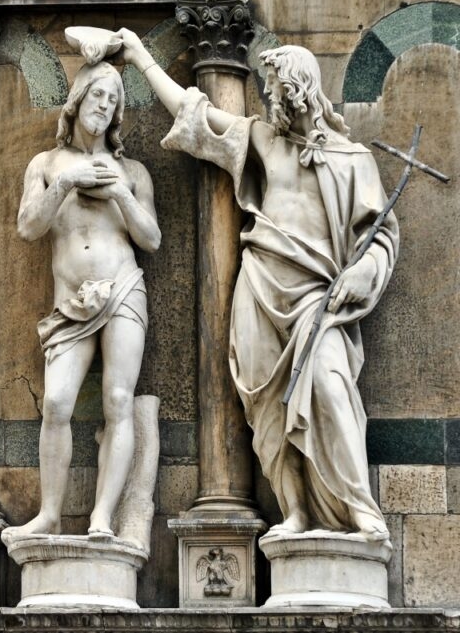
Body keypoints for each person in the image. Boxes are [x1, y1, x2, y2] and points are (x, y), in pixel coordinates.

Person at [118, 31, 397, 539]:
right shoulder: (265, 142)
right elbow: (194, 112)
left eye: (275, 87)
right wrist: (139, 55)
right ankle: (296, 511)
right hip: (261, 287)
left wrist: (364, 270)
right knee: (267, 408)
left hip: (317, 296)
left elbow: (379, 236)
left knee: (329, 385)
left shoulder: (353, 159)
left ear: (300, 88)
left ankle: (361, 509)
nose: (269, 97)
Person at [6, 61, 161, 539]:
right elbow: (28, 227)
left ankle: (101, 517)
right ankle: (50, 513)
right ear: (77, 101)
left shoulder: (132, 171)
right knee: (56, 403)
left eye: (113, 101)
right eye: (98, 95)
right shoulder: (46, 164)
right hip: (70, 301)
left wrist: (120, 194)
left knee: (118, 399)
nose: (104, 106)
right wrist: (67, 182)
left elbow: (151, 238)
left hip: (123, 289)